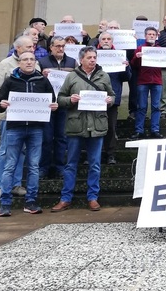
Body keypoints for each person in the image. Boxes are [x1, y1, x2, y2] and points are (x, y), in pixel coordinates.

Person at [0, 51, 58, 216]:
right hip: (15, 128)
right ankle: (5, 202)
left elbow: (52, 101)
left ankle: (31, 201)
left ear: (35, 62)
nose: (29, 62)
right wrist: (1, 104)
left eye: (31, 59)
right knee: (10, 166)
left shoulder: (43, 81)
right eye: (25, 60)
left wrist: (53, 106)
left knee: (34, 166)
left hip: (36, 128)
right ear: (19, 63)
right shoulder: (10, 81)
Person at [51, 46, 114, 212]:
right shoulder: (72, 76)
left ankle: (93, 197)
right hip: (76, 125)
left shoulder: (103, 76)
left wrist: (110, 100)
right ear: (81, 60)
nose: (93, 60)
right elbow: (60, 98)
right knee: (71, 164)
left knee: (94, 164)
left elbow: (112, 96)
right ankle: (65, 198)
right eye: (89, 57)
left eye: (94, 57)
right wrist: (70, 100)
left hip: (97, 126)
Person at [0, 35, 37, 199]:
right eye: (28, 47)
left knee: (22, 150)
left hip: (28, 115)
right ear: (18, 49)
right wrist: (11, 97)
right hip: (9, 115)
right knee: (6, 151)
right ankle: (2, 185)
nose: (32, 49)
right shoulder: (5, 64)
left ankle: (15, 184)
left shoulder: (35, 63)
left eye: (32, 47)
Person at [37, 35, 77, 179]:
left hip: (64, 105)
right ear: (51, 47)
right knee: (46, 138)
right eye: (58, 46)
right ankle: (43, 167)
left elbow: (77, 81)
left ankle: (60, 166)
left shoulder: (72, 62)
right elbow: (36, 82)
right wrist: (42, 76)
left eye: (63, 46)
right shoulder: (42, 62)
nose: (61, 49)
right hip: (47, 105)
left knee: (62, 137)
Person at [96, 32, 131, 164]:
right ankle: (94, 154)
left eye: (108, 39)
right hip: (95, 98)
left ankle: (110, 154)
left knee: (111, 127)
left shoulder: (119, 56)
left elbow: (127, 78)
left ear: (112, 42)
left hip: (112, 98)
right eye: (103, 39)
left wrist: (126, 67)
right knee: (94, 127)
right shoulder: (93, 56)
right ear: (100, 42)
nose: (106, 41)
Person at [130, 27, 164, 139]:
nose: (151, 36)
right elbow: (133, 65)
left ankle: (155, 129)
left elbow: (165, 64)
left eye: (153, 34)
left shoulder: (161, 49)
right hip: (143, 81)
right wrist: (136, 57)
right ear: (145, 36)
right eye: (149, 34)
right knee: (141, 107)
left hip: (157, 81)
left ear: (156, 36)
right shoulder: (140, 48)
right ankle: (139, 130)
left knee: (156, 107)